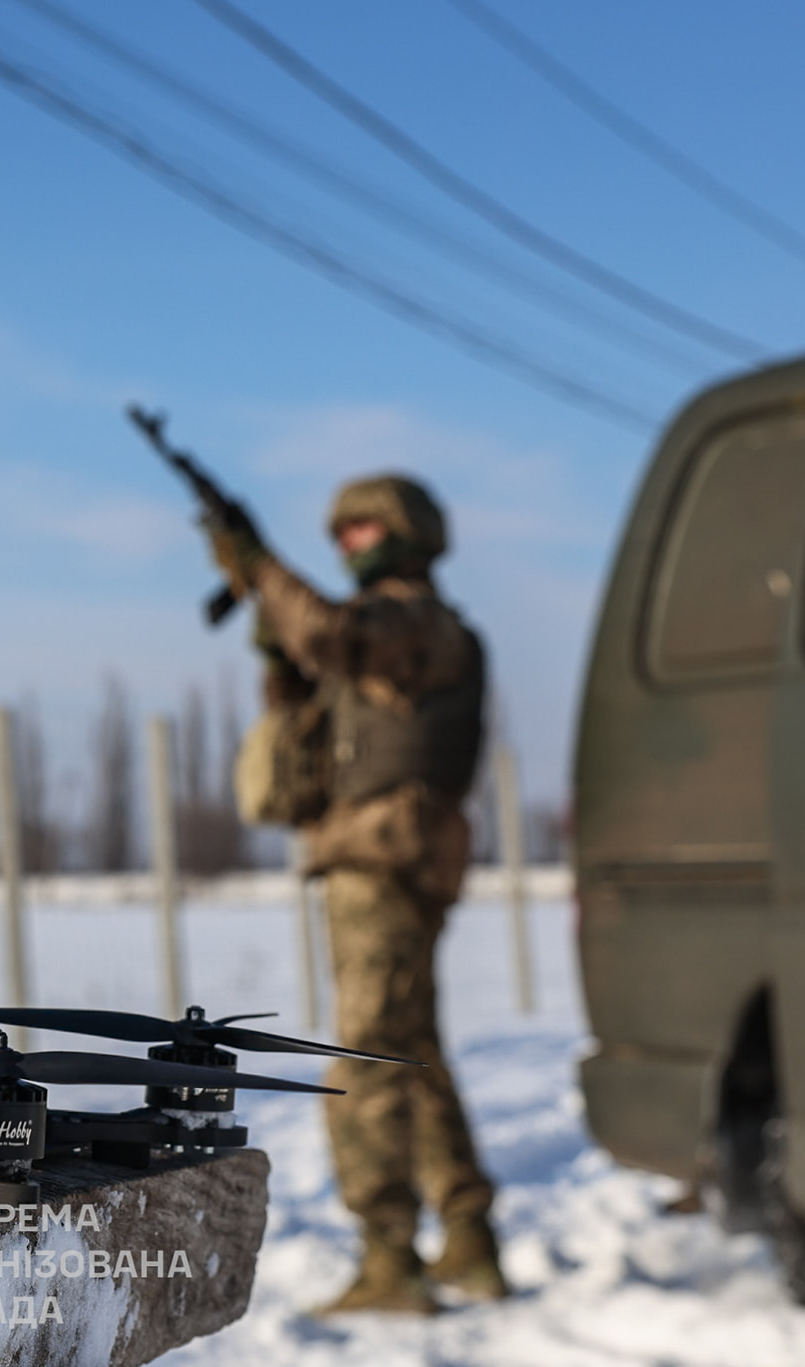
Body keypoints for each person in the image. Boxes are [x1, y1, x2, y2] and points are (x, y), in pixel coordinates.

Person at [210, 473, 507, 1315]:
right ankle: (470, 1238)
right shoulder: (391, 637)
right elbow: (307, 698)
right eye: (339, 537)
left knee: (370, 1055)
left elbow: (332, 631)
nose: (349, 547)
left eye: (363, 529)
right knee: (413, 1046)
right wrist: (270, 629)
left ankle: (388, 1258)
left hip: (388, 857)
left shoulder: (415, 616)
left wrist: (261, 564)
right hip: (375, 852)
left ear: (409, 531)